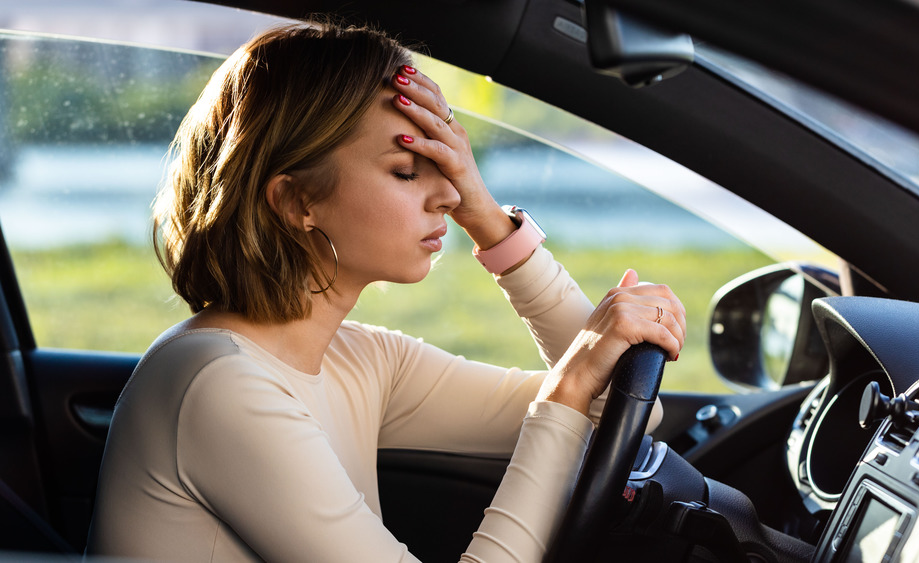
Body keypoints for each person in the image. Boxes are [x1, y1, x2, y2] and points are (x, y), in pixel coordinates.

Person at [86, 19, 686, 562]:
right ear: (298, 201)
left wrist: (488, 218)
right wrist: (572, 378)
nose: (448, 196)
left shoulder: (363, 360)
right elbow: (584, 392)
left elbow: (626, 409)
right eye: (406, 172)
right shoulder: (218, 385)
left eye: (448, 169)